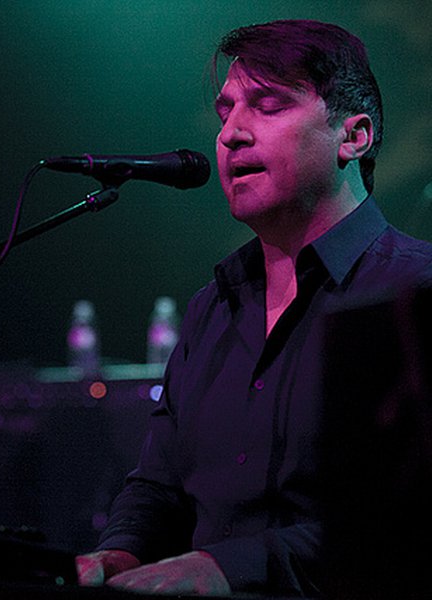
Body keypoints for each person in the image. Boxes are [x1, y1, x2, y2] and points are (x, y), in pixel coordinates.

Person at [75, 19, 432, 597]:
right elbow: (157, 486)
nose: (231, 134)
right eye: (226, 113)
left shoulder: (415, 295)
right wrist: (117, 555)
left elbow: (409, 523)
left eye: (268, 105)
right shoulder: (212, 308)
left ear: (354, 137)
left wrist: (227, 567)